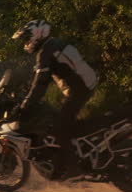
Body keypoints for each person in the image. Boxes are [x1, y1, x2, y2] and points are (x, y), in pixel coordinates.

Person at [11, 20, 98, 179]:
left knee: (60, 128)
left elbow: (41, 83)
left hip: (78, 89)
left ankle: (74, 168)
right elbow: (44, 75)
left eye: (27, 38)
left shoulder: (45, 52)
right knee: (63, 117)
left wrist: (25, 105)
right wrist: (30, 89)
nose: (27, 42)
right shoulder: (55, 44)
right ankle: (82, 149)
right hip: (85, 84)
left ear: (37, 35)